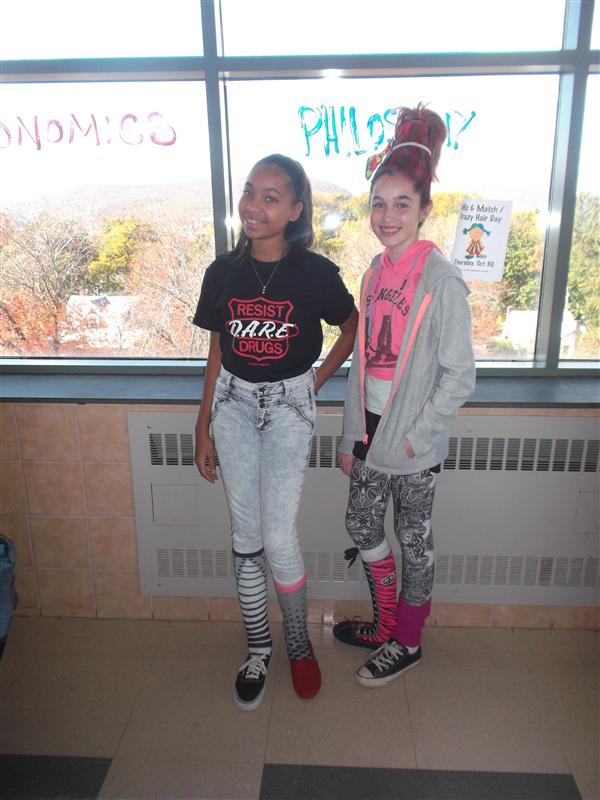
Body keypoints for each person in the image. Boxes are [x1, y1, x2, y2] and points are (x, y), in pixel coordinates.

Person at [193, 154, 358, 710]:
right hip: (233, 405)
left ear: (295, 209)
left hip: (289, 406)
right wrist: (202, 426)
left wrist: (315, 382)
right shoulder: (222, 272)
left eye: (270, 197)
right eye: (249, 192)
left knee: (279, 536)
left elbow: (351, 326)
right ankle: (259, 648)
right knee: (246, 534)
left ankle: (298, 643)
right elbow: (217, 349)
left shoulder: (316, 273)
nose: (253, 205)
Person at [334, 104, 475, 687]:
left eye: (401, 204)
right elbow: (363, 362)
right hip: (371, 433)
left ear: (424, 209)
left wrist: (418, 437)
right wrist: (351, 434)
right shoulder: (373, 271)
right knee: (362, 526)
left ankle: (407, 641)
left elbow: (459, 375)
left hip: (413, 445)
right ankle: (387, 622)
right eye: (378, 203)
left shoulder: (441, 280)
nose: (387, 217)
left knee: (414, 542)